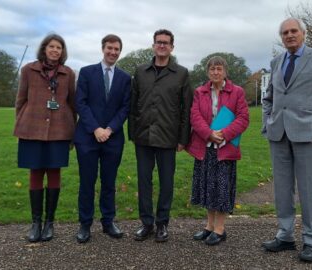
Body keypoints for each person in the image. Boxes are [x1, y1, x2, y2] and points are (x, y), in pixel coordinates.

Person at [261, 18, 312, 262]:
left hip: (309, 136)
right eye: (285, 33)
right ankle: (285, 236)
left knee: (309, 191)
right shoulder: (276, 61)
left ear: (303, 34)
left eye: (294, 31)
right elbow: (268, 99)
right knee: (282, 190)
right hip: (279, 135)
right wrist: (267, 122)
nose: (289, 35)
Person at [128, 29, 193, 242]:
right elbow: (133, 104)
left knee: (166, 182)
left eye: (166, 43)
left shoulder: (181, 73)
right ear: (153, 45)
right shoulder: (140, 71)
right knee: (144, 182)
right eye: (158, 42)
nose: (162, 45)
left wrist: (183, 138)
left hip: (168, 137)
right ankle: (146, 223)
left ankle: (162, 223)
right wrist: (133, 132)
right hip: (144, 136)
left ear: (172, 47)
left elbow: (186, 108)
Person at [14, 33, 76, 242]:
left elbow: (73, 104)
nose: (55, 50)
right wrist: (21, 127)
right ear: (44, 48)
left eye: (59, 47)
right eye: (52, 46)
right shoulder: (28, 70)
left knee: (54, 173)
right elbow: (20, 101)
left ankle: (50, 223)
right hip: (32, 129)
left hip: (60, 130)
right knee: (35, 173)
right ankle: (35, 223)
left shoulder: (68, 74)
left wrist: (72, 133)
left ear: (62, 52)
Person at [186, 56, 249, 246]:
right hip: (205, 148)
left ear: (225, 71)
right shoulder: (200, 92)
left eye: (219, 69)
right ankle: (209, 226)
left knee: (221, 189)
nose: (215, 72)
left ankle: (220, 229)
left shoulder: (236, 92)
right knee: (208, 188)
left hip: (225, 148)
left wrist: (224, 134)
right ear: (208, 72)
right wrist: (208, 134)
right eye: (212, 69)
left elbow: (243, 118)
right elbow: (195, 116)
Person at [74, 34, 131, 243]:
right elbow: (81, 103)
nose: (113, 52)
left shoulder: (125, 78)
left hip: (113, 138)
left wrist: (109, 129)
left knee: (109, 183)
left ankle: (108, 222)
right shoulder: (87, 72)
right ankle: (85, 224)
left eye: (116, 49)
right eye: (109, 48)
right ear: (103, 48)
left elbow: (125, 107)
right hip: (87, 137)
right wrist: (96, 128)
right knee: (87, 182)